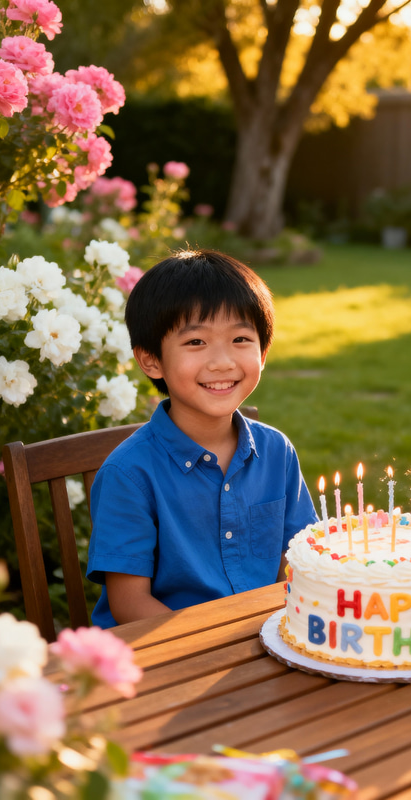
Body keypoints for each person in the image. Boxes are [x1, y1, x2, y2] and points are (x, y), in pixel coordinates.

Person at [86, 249, 318, 627]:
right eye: (196, 342)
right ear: (151, 360)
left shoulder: (277, 452)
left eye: (240, 338)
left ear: (263, 353)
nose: (222, 362)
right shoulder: (129, 473)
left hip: (262, 636)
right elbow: (129, 604)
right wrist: (222, 642)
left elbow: (294, 560)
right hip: (164, 646)